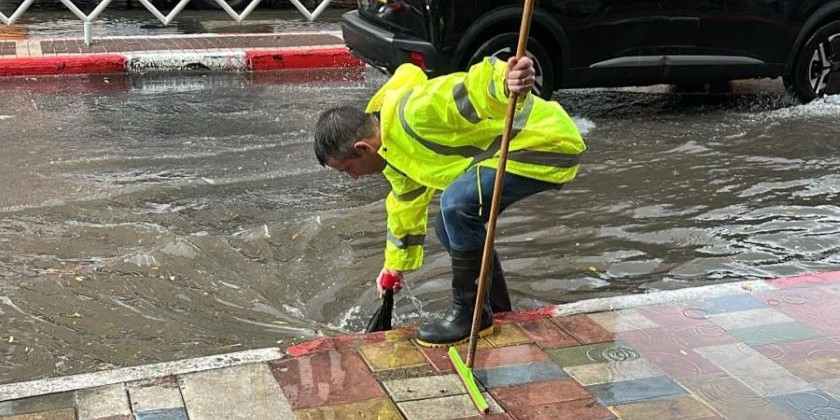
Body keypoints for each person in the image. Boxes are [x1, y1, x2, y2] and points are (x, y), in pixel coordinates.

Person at [314, 56, 586, 347]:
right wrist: (394, 266)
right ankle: (497, 308)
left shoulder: (415, 109)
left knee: (456, 205)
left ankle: (471, 316)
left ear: (362, 148)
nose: (353, 178)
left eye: (348, 170)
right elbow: (406, 205)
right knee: (447, 225)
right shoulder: (393, 154)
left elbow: (469, 90)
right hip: (512, 154)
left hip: (543, 143)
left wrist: (505, 83)